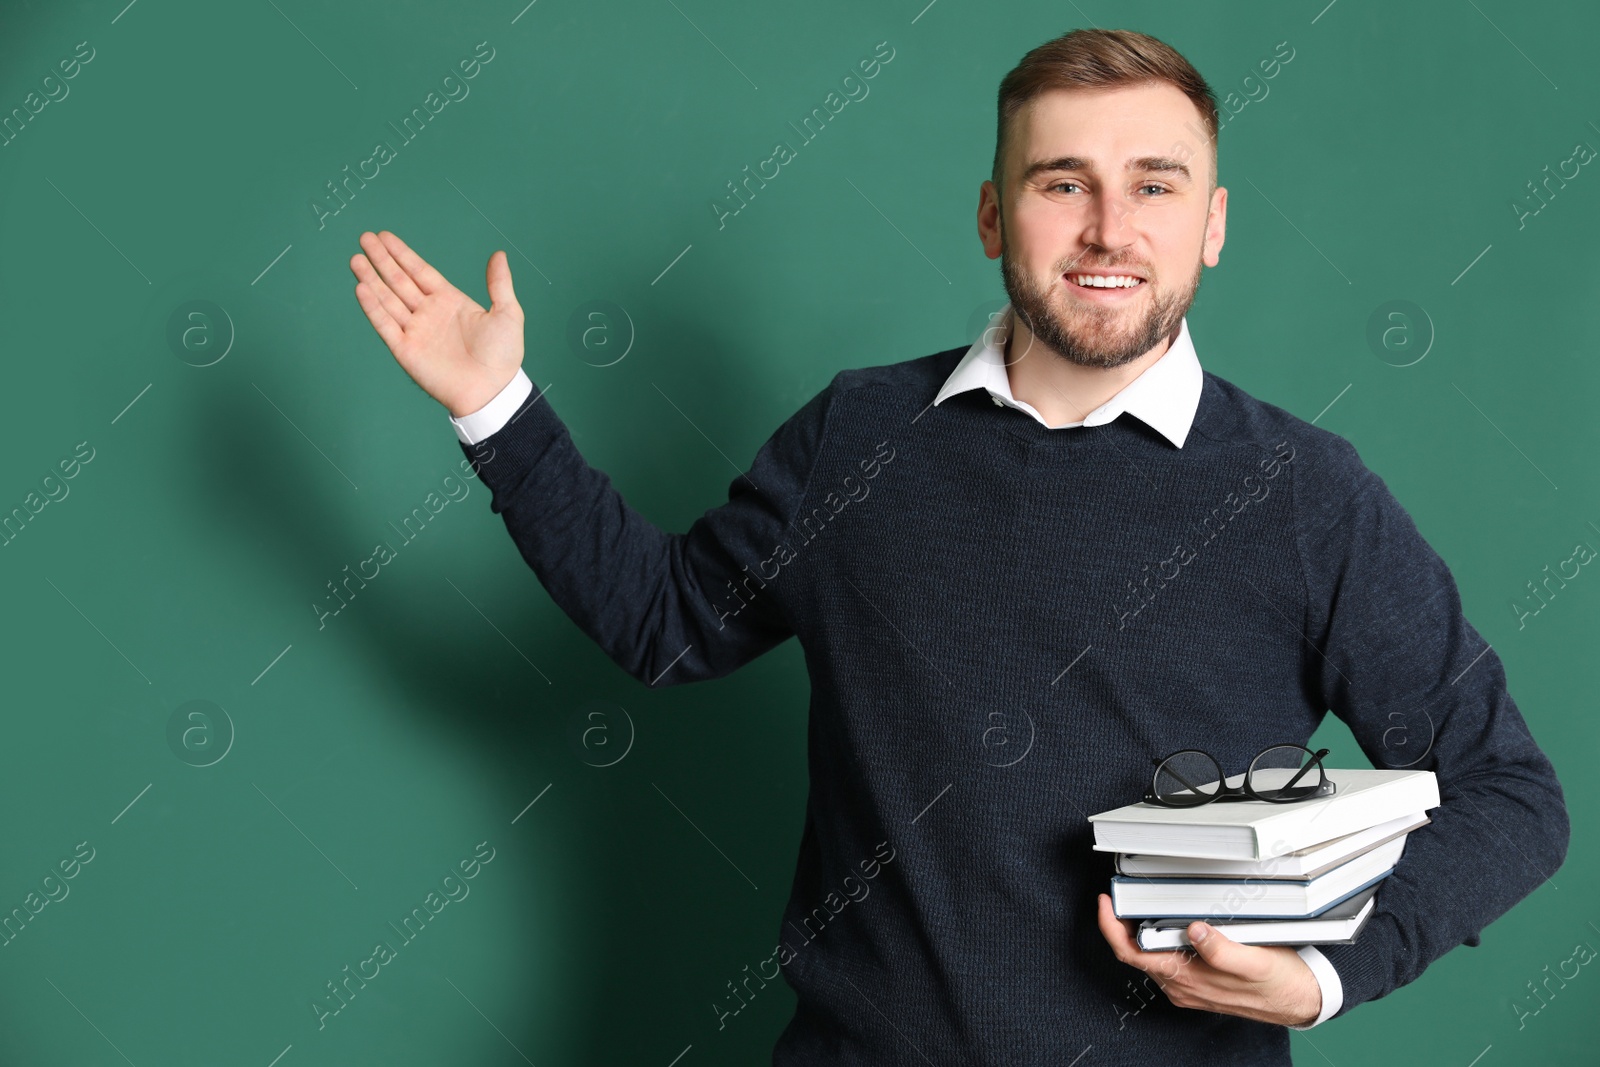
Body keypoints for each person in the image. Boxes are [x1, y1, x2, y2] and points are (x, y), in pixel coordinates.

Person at [348, 27, 1569, 1067]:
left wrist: (1321, 977)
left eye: (1154, 184)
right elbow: (666, 624)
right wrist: (497, 410)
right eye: (1060, 182)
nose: (1107, 229)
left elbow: (1510, 795)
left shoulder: (1303, 494)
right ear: (994, 212)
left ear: (1211, 223)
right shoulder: (858, 437)